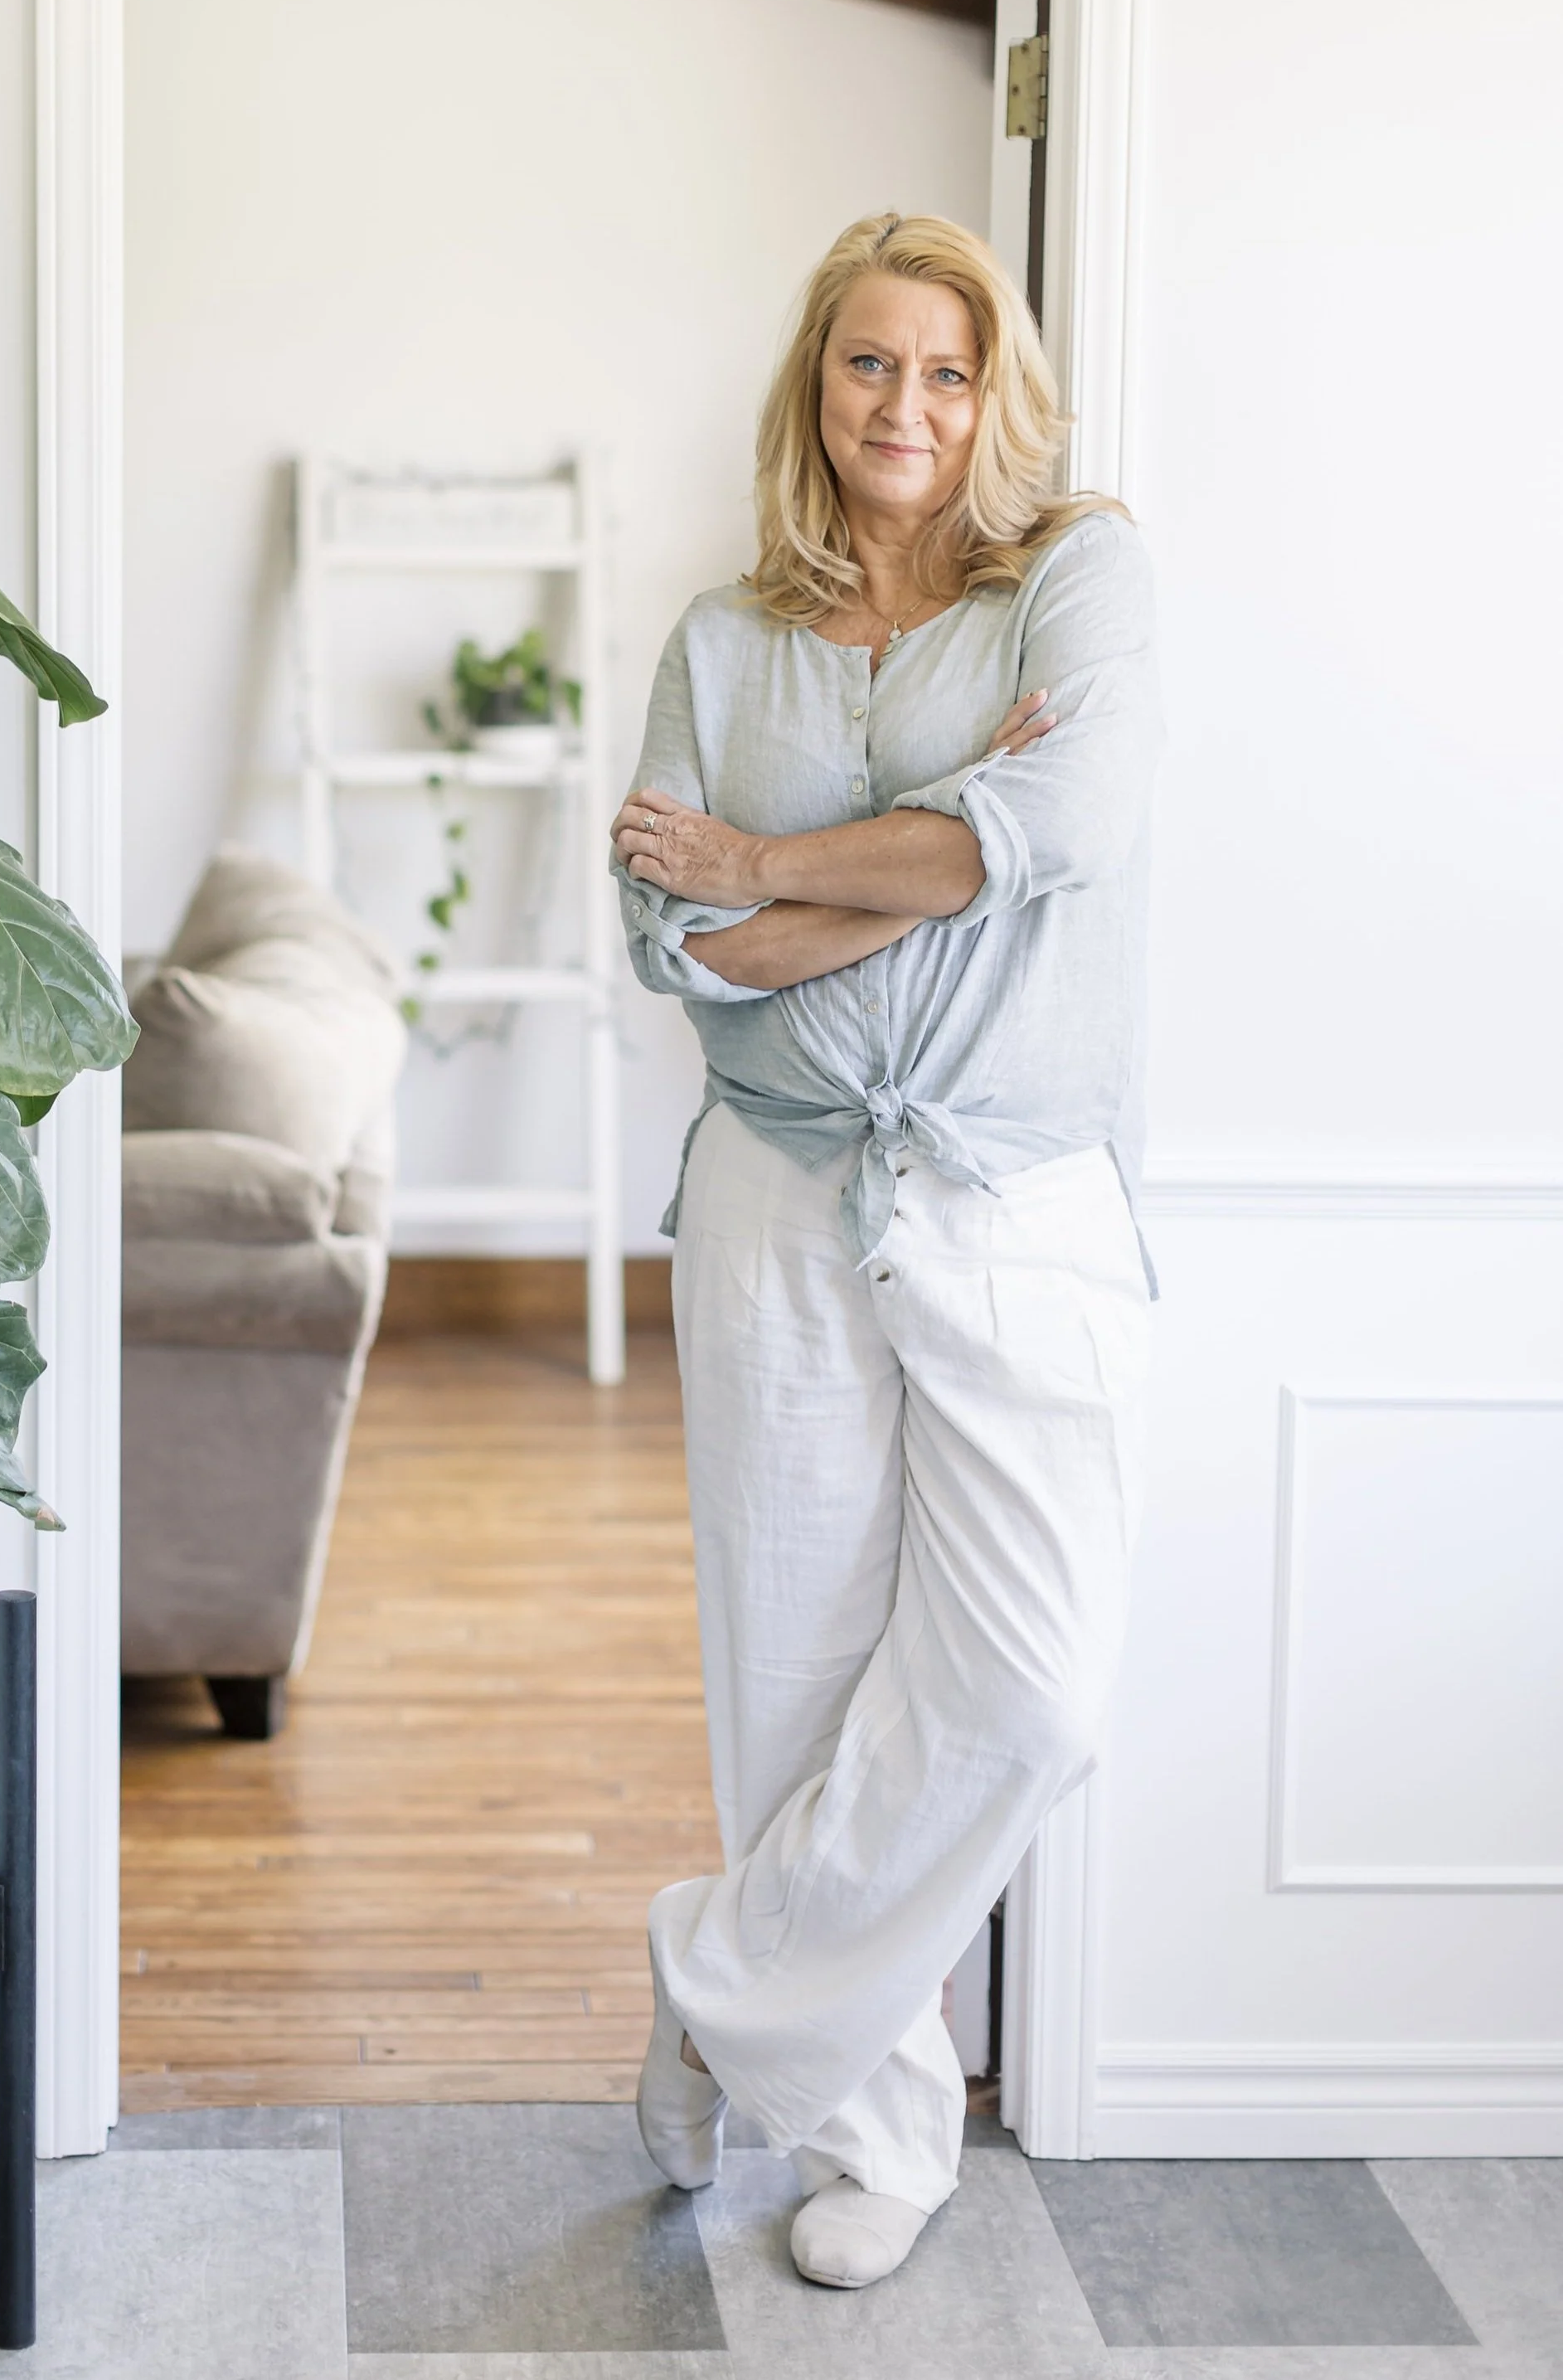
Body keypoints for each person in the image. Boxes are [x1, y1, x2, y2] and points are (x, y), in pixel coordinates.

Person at [611, 211, 1158, 2290]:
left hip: (1013, 1192)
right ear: (812, 385)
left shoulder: (1075, 581)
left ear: (992, 390)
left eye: (943, 367)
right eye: (865, 362)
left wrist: (766, 862)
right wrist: (934, 854)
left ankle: (716, 1986)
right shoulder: (718, 636)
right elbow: (676, 942)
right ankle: (878, 2132)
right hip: (773, 1194)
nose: (901, 404)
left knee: (1031, 1686)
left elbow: (1063, 829)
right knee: (795, 1678)